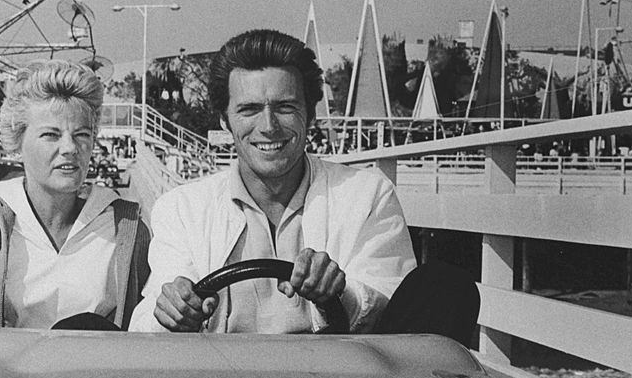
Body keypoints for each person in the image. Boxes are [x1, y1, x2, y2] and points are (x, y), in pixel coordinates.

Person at [128, 29, 478, 342]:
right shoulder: (181, 207)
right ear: (224, 119)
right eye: (249, 109)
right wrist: (171, 310)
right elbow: (148, 317)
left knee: (446, 286)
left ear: (310, 114)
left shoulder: (368, 194)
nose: (268, 126)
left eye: (285, 107)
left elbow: (392, 304)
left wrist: (341, 294)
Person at [0, 59, 150, 348]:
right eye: (51, 135)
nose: (70, 149)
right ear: (18, 141)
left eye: (82, 135)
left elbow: (147, 325)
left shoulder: (125, 226)